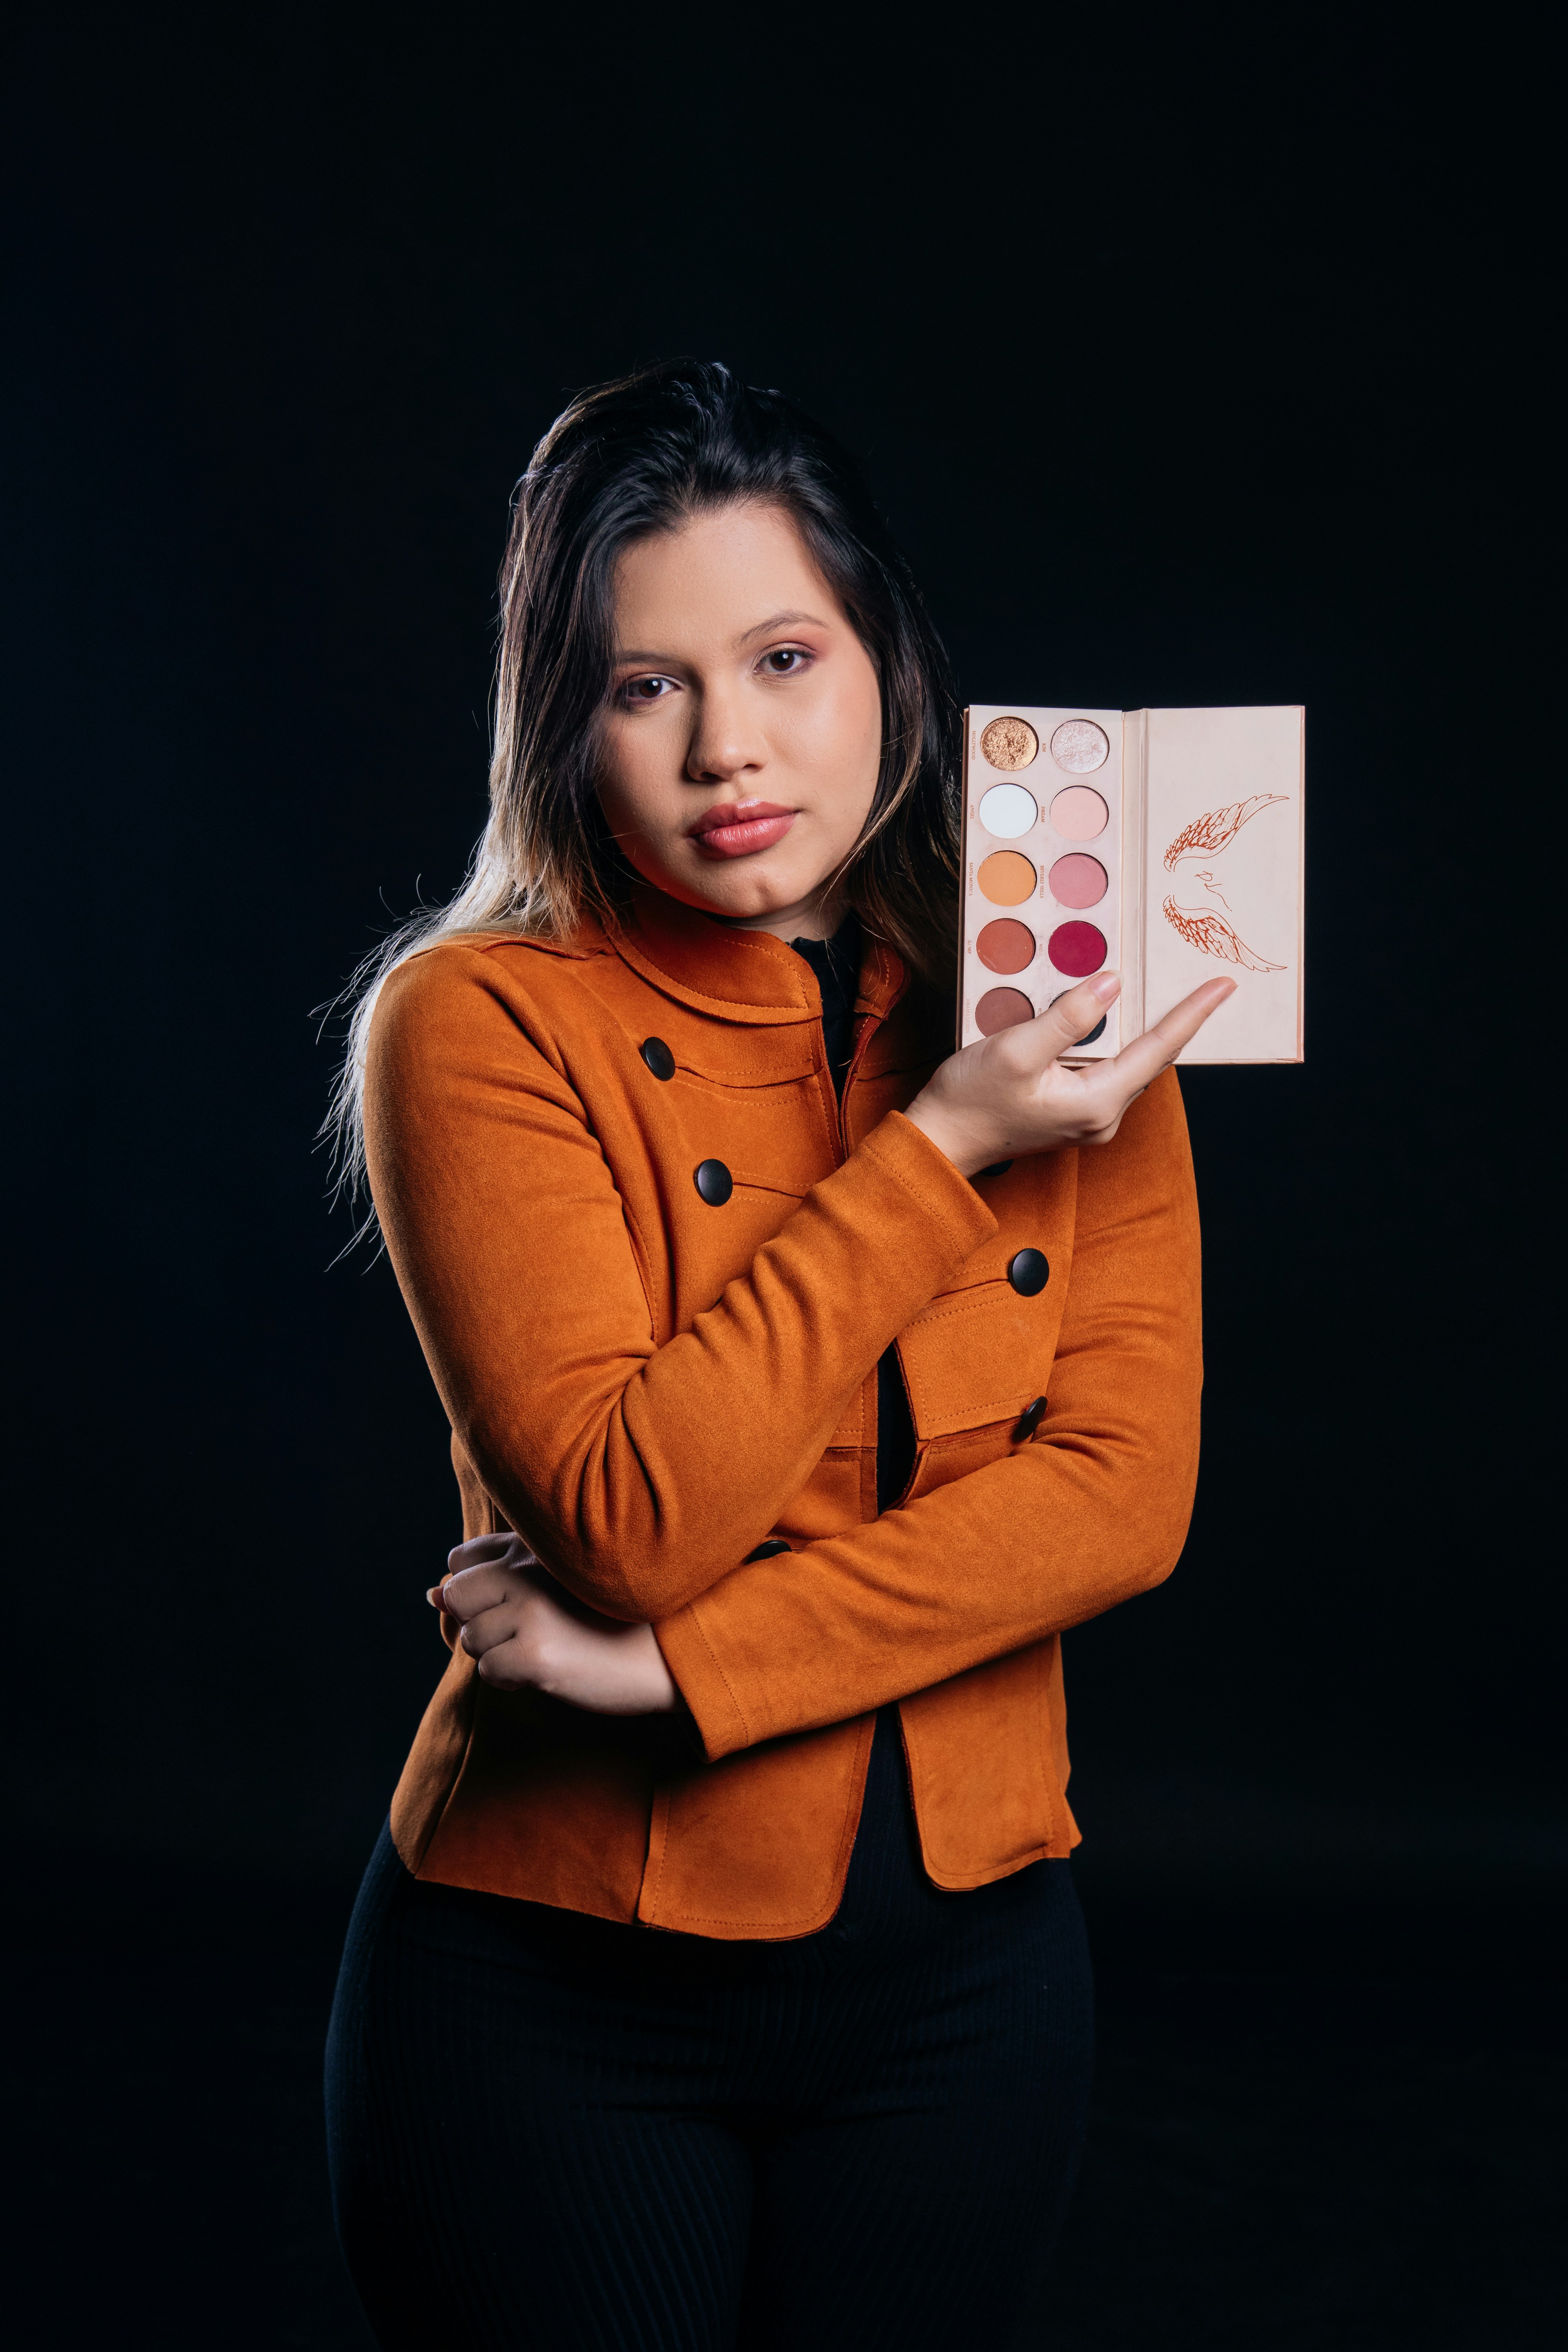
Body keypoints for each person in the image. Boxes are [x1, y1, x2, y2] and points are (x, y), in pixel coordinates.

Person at [323, 358, 1233, 2352]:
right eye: (646, 686)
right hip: (549, 1995)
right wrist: (944, 1151)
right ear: (563, 722)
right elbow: (635, 1515)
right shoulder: (472, 1025)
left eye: (785, 656)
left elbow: (1118, 1502)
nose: (729, 748)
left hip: (971, 1989)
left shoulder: (1071, 992)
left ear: (890, 663)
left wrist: (671, 1672)